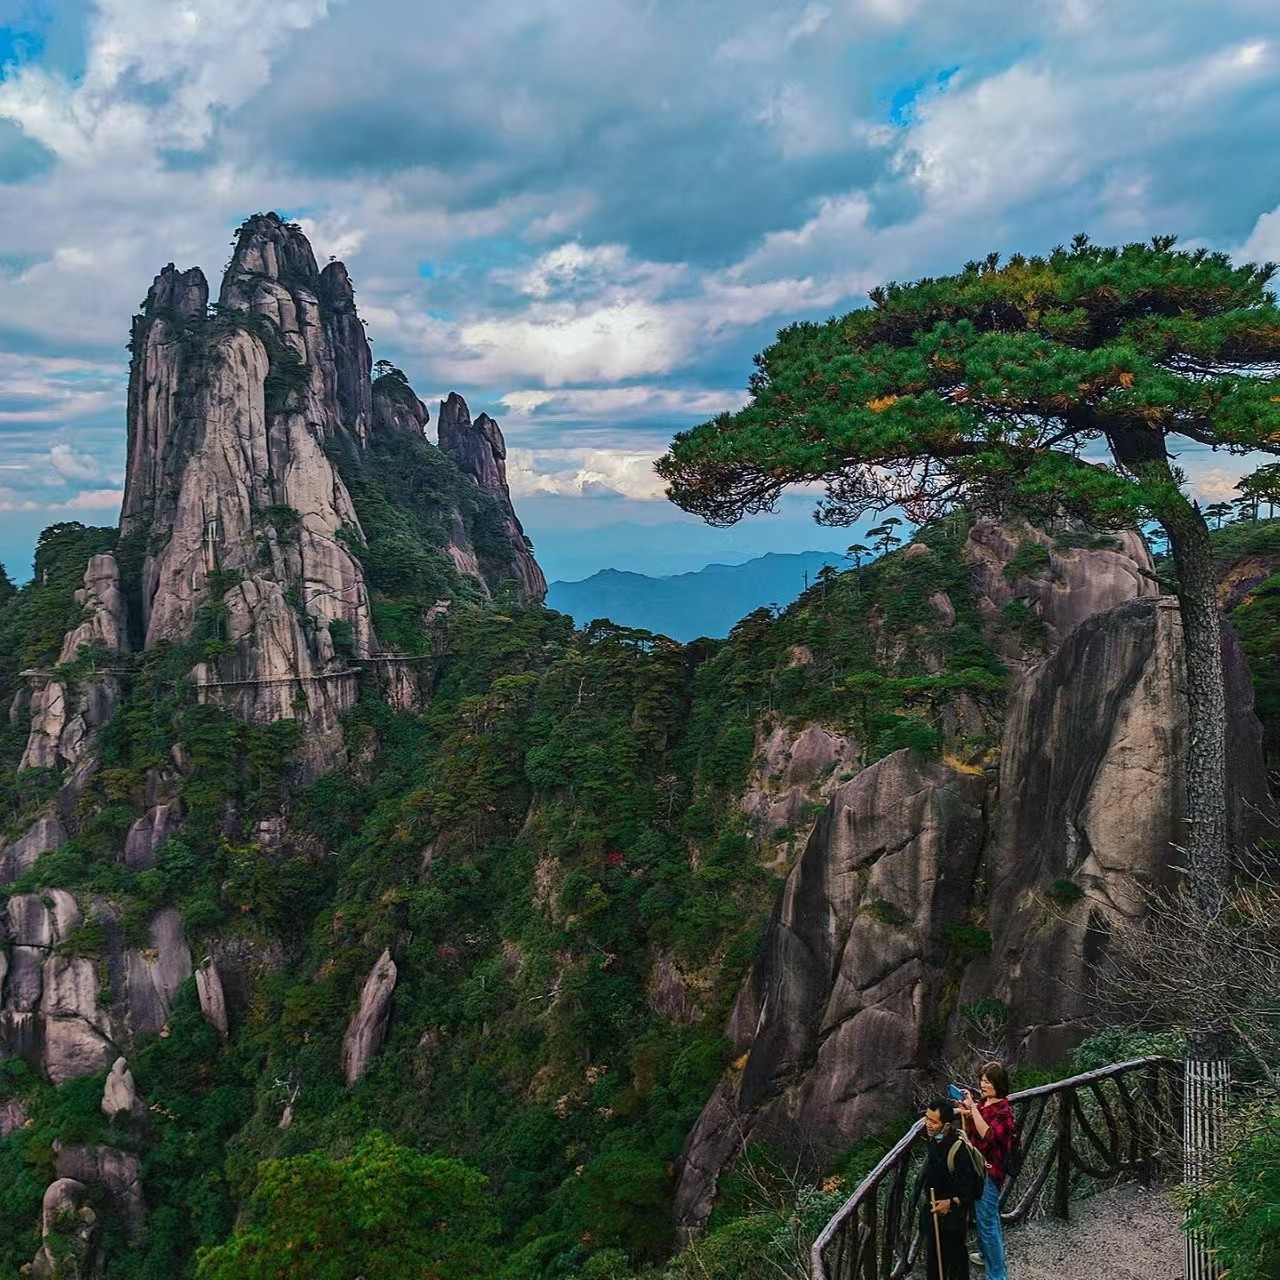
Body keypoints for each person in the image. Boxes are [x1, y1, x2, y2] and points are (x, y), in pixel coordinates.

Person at [959, 1062, 1015, 1280]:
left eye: (988, 1082)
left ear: (998, 1084)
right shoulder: (984, 1103)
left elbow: (988, 1135)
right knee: (987, 1217)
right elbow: (971, 1133)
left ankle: (997, 1275)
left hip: (990, 1171)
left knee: (988, 1222)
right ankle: (984, 1255)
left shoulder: (1003, 1111)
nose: (983, 1085)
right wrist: (967, 1113)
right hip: (976, 1166)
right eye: (982, 1080)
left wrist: (973, 1109)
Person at [918, 1097, 984, 1280]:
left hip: (952, 1219)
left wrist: (950, 1203)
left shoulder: (958, 1150)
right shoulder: (935, 1140)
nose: (928, 1124)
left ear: (946, 1124)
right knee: (934, 1262)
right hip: (934, 1215)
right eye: (927, 1119)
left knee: (956, 1264)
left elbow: (972, 1190)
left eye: (933, 1122)